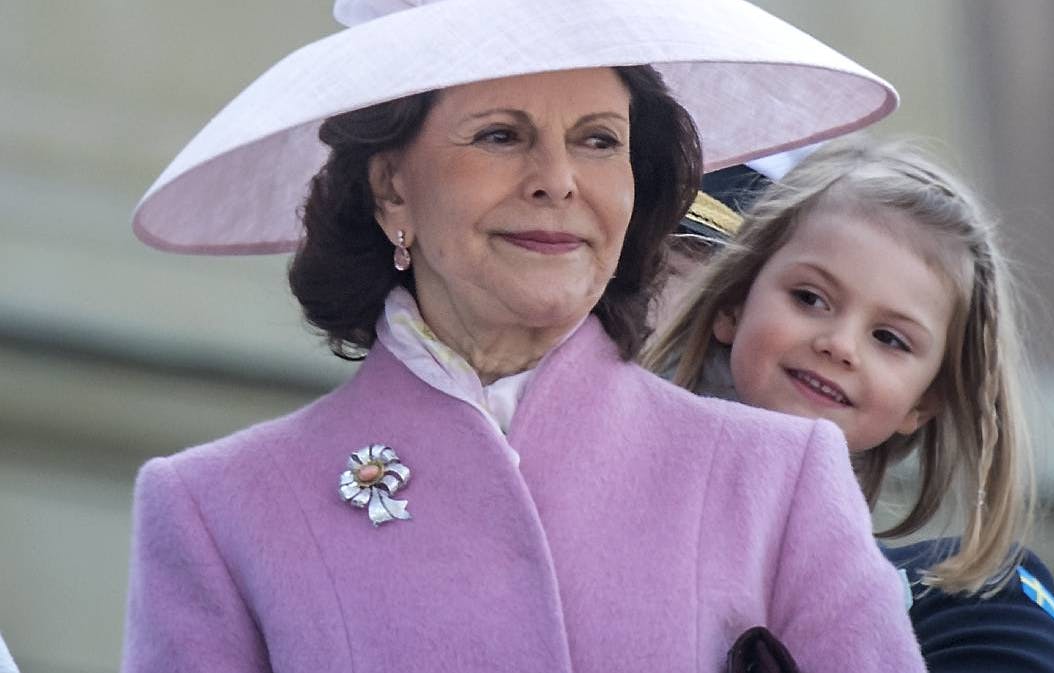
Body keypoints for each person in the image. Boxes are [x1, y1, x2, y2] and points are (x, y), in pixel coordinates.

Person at [121, 1, 925, 672]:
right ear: (393, 185)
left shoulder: (779, 483)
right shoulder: (217, 510)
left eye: (598, 140)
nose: (558, 178)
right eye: (502, 135)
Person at [645, 136, 1054, 672]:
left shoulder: (980, 602)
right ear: (734, 306)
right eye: (809, 298)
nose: (840, 345)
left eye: (890, 338)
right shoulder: (597, 507)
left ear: (927, 399)